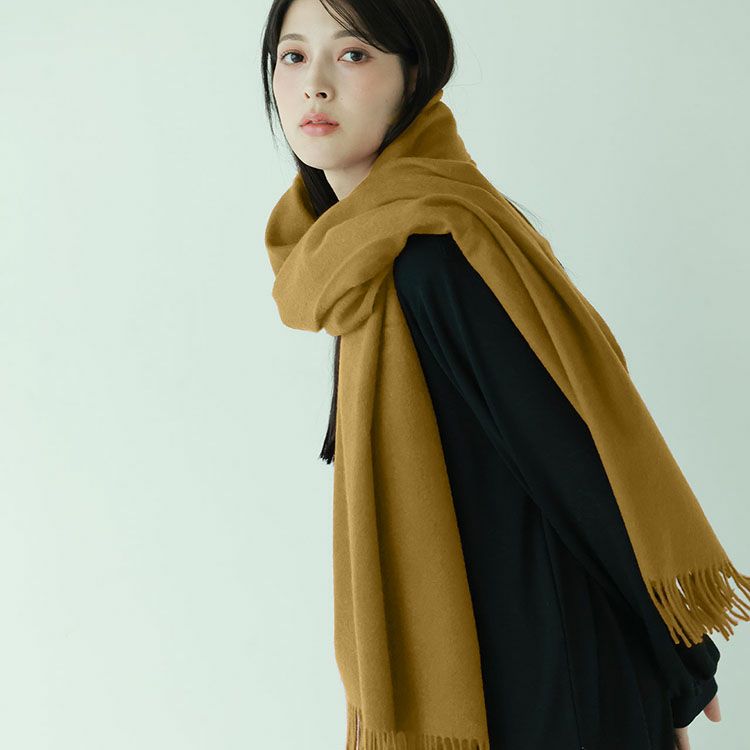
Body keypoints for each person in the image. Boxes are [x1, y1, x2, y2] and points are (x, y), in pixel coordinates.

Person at [262, 0, 724, 747]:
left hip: (551, 681)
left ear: (415, 76)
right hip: (491, 666)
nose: (315, 83)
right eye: (293, 56)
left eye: (353, 54)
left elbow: (574, 462)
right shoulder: (357, 256)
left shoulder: (439, 254)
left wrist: (680, 667)